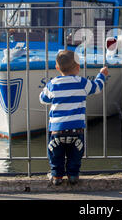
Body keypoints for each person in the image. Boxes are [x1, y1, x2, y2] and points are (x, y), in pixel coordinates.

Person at [39, 50, 108, 185]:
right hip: (76, 130)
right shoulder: (82, 83)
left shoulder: (53, 84)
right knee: (75, 155)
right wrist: (102, 75)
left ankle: (57, 176)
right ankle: (73, 175)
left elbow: (43, 99)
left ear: (57, 68)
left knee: (55, 155)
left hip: (56, 130)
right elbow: (98, 87)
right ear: (78, 67)